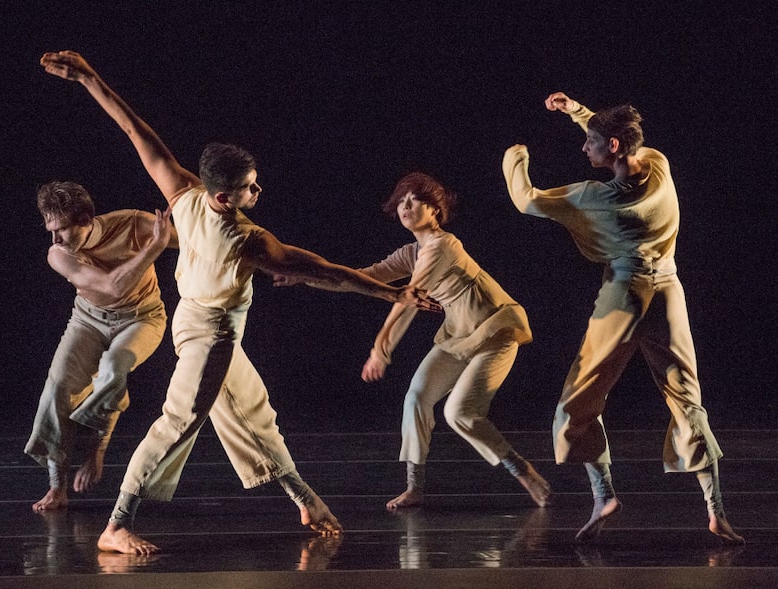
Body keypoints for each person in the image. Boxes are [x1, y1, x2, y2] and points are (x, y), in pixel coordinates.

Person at [39, 50, 441, 555]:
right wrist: (392, 291)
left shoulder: (183, 193)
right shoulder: (247, 238)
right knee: (178, 421)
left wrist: (90, 78)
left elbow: (132, 129)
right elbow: (328, 274)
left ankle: (305, 498)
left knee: (252, 412)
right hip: (211, 337)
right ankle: (117, 524)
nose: (258, 191)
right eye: (250, 187)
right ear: (225, 196)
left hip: (191, 322)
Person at [501, 91, 744, 544]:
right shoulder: (658, 163)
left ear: (611, 147)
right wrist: (577, 113)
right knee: (686, 395)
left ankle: (603, 494)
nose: (583, 147)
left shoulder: (594, 197)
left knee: (580, 395)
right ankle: (716, 511)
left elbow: (526, 200)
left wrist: (515, 155)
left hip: (626, 294)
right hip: (670, 291)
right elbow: (614, 136)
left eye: (589, 142)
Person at [357, 172, 551, 510]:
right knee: (416, 397)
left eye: (413, 201)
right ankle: (414, 487)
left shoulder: (443, 245)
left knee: (460, 413)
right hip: (459, 336)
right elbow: (366, 277)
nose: (405, 206)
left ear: (434, 210)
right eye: (401, 201)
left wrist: (380, 350)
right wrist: (309, 274)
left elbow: (409, 298)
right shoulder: (412, 252)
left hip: (495, 332)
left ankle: (523, 471)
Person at [25, 180, 176, 512]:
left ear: (84, 220)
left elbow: (200, 241)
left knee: (113, 368)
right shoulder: (58, 254)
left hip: (143, 318)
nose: (54, 239)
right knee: (57, 390)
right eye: (50, 229)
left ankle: (97, 448)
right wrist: (154, 248)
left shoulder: (133, 224)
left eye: (61, 229)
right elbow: (110, 288)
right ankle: (57, 487)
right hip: (88, 320)